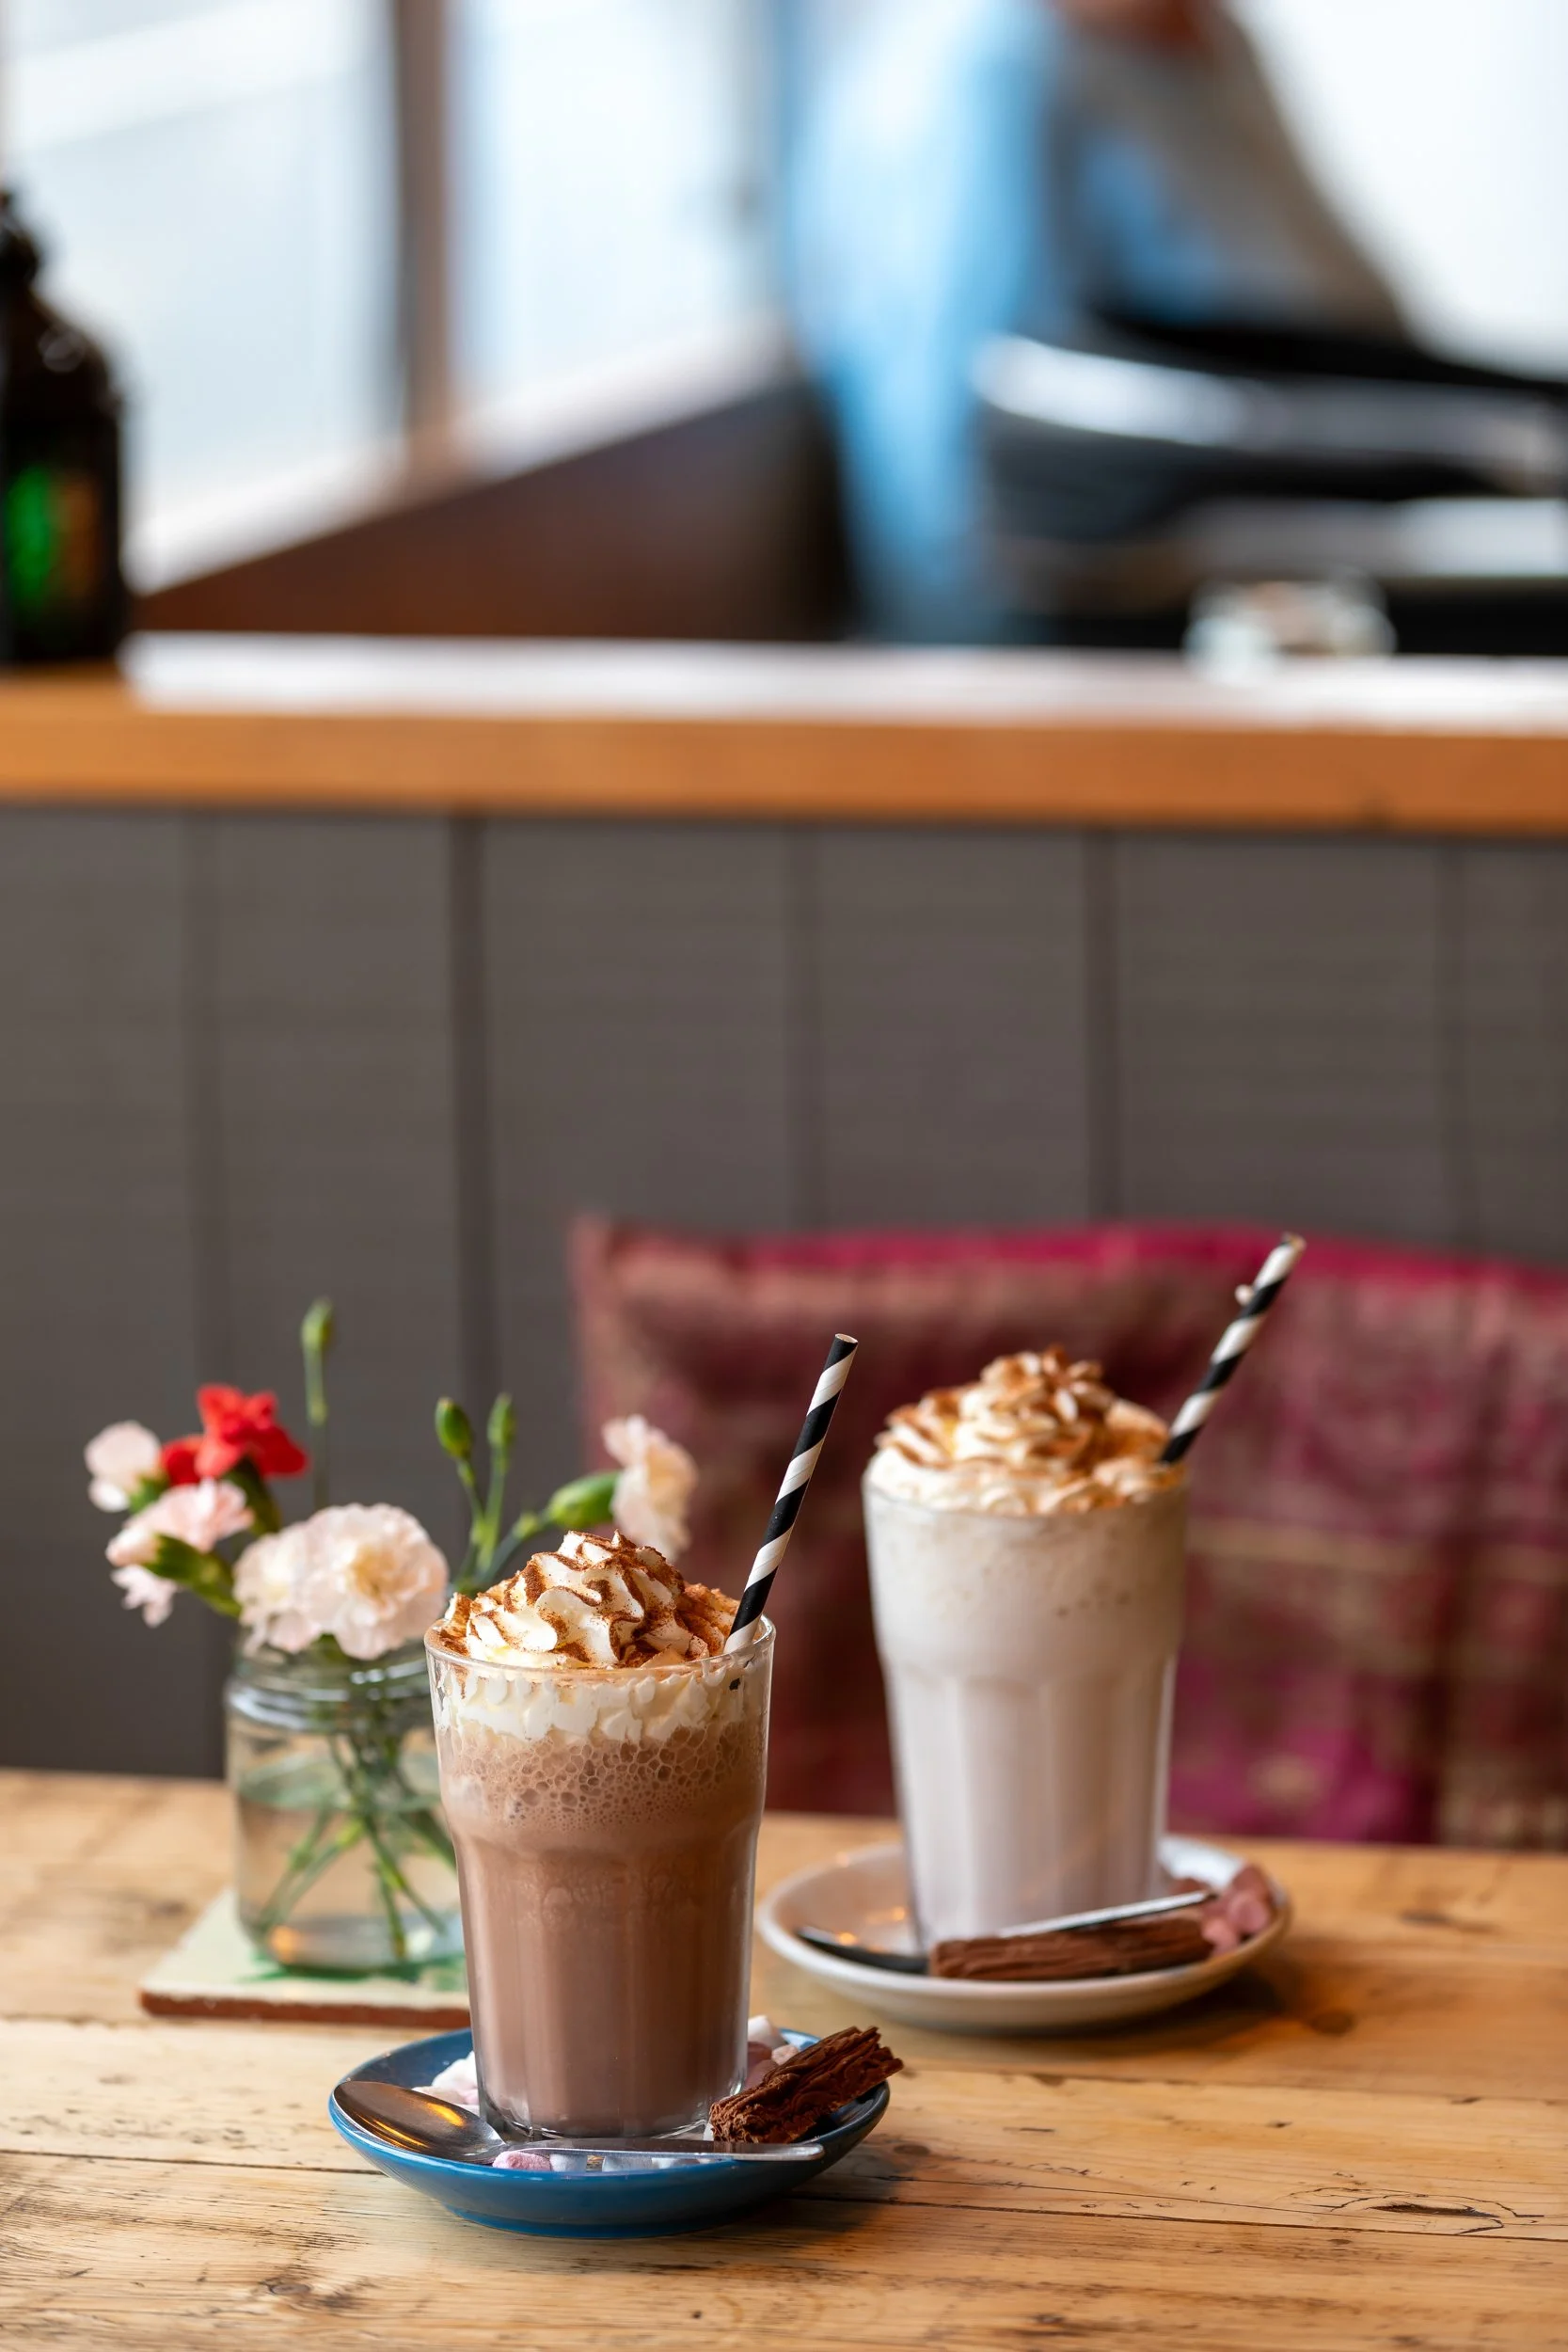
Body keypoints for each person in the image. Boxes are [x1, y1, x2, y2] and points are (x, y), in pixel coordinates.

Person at [789, 0, 1403, 640]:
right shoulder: (993, 73)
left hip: (1317, 580)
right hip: (1120, 644)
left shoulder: (1205, 44)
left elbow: (1355, 325)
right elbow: (957, 497)